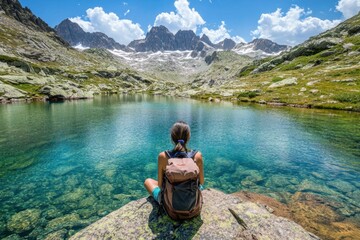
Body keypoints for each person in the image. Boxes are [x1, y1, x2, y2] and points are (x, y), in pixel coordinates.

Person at [144, 121, 204, 204]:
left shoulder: (163, 156)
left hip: (170, 206)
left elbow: (160, 185)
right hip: (192, 205)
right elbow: (201, 182)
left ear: (172, 138)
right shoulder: (197, 155)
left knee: (148, 181)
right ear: (188, 136)